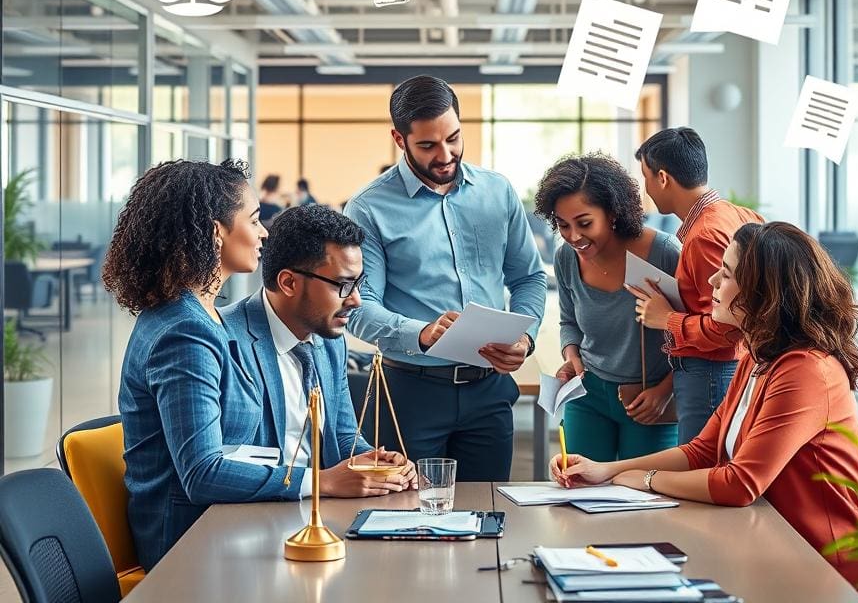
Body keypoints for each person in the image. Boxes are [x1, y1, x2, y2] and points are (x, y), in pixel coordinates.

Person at [551, 222, 858, 590]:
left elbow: (740, 483)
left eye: (727, 274)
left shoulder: (807, 371)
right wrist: (606, 470)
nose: (712, 282)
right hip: (759, 538)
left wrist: (648, 481)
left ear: (764, 293)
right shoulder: (756, 356)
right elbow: (703, 450)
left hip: (814, 567)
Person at [344, 75, 546, 481]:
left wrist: (525, 338)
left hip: (489, 391)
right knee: (403, 519)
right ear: (399, 140)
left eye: (453, 138)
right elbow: (357, 307)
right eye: (428, 145)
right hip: (410, 394)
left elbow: (528, 278)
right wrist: (421, 333)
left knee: (487, 517)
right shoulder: (368, 208)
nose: (446, 154)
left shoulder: (498, 191)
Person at [105, 160, 297, 571]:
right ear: (215, 232)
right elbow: (203, 472)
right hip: (187, 545)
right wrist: (317, 482)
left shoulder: (208, 315)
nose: (264, 232)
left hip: (227, 522)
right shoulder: (185, 332)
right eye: (254, 219)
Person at [221, 205, 415, 497]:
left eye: (359, 284)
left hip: (321, 513)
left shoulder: (331, 341)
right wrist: (321, 481)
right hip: (246, 517)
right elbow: (211, 468)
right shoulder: (223, 339)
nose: (356, 301)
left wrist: (375, 462)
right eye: (344, 285)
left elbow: (343, 435)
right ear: (288, 283)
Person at [534, 153, 680, 460]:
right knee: (580, 492)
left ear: (612, 213)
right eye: (562, 225)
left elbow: (693, 330)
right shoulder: (565, 258)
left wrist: (665, 391)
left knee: (647, 502)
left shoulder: (663, 253)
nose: (574, 236)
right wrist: (571, 355)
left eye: (585, 223)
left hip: (649, 399)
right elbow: (569, 321)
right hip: (588, 394)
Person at [633, 127, 763, 444]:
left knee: (699, 470)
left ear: (663, 178)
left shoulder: (705, 234)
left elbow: (727, 326)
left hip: (710, 373)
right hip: (723, 369)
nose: (645, 188)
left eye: (646, 177)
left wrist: (666, 318)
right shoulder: (740, 214)